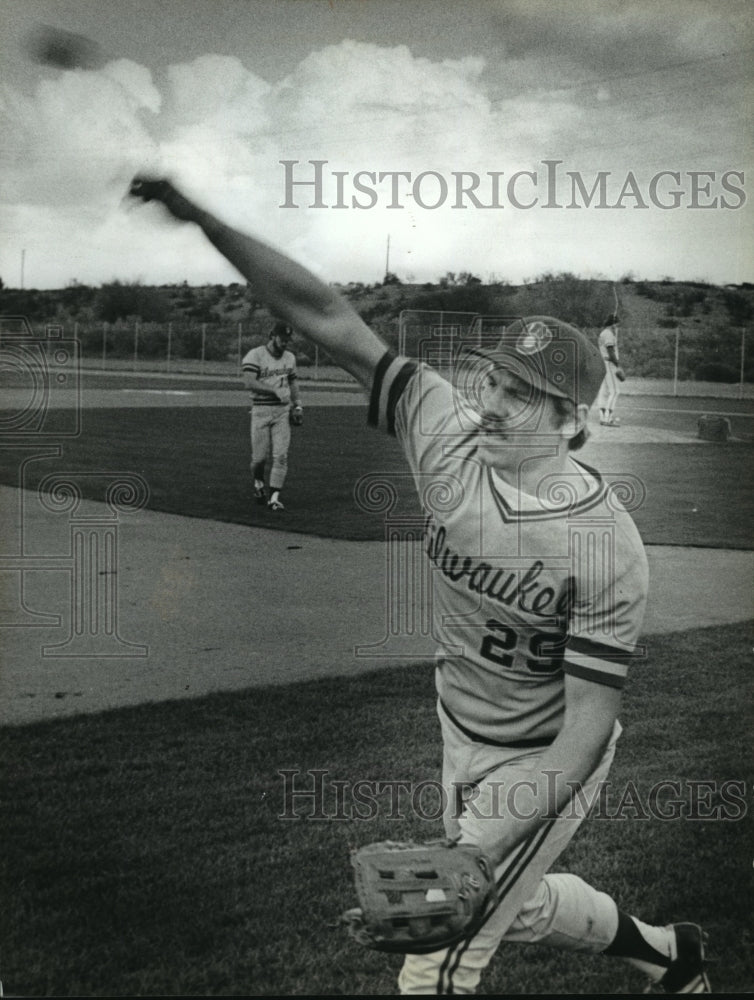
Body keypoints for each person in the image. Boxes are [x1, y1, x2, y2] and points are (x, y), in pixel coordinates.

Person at [128, 176, 710, 996]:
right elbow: (324, 313)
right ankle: (669, 954)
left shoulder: (605, 546)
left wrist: (474, 850)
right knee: (516, 905)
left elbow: (585, 731)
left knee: (438, 961)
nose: (493, 404)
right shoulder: (444, 429)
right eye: (494, 381)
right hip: (459, 729)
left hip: (541, 761)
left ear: (573, 421)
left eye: (523, 395)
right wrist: (204, 219)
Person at [240, 319, 303, 511]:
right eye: (282, 338)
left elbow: (293, 382)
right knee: (259, 459)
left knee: (281, 456)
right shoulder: (255, 355)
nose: (285, 343)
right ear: (272, 336)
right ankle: (258, 483)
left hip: (282, 411)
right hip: (261, 411)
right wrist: (274, 390)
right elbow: (249, 382)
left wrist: (298, 405)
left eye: (287, 339)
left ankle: (274, 498)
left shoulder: (289, 357)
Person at [596, 313, 626, 427]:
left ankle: (602, 417)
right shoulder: (608, 334)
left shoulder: (603, 333)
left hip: (603, 363)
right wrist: (618, 365)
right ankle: (608, 418)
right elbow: (611, 351)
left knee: (604, 391)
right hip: (609, 363)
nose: (617, 327)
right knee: (615, 391)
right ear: (613, 324)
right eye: (616, 325)